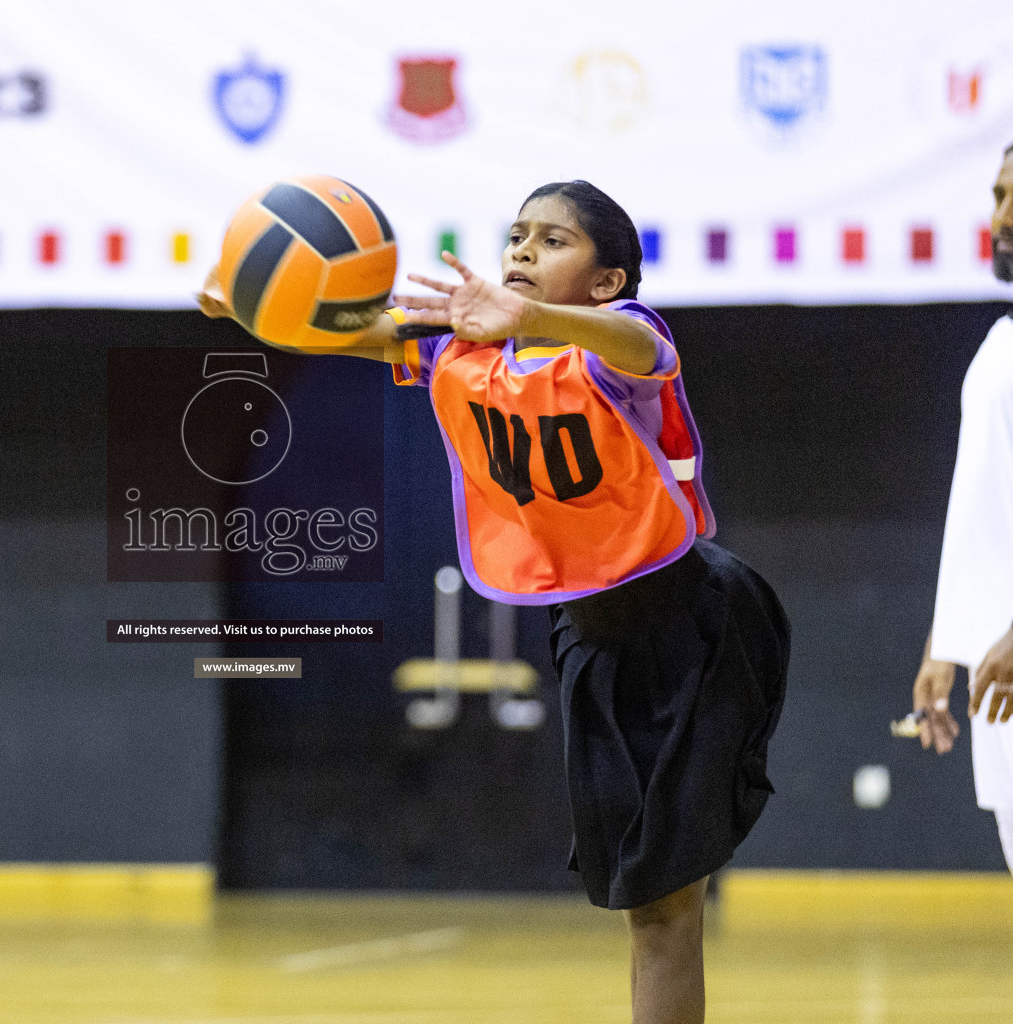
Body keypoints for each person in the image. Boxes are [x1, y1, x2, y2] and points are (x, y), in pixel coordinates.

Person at [201, 180, 789, 1024]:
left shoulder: (620, 345)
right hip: (594, 642)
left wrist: (538, 323)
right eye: (518, 235)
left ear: (606, 281)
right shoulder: (462, 358)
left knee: (667, 908)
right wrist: (261, 306)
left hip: (695, 628)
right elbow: (351, 334)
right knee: (644, 908)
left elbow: (639, 348)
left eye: (555, 241)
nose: (523, 250)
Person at [909, 142, 1013, 869]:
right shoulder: (999, 343)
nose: (999, 217)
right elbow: (980, 506)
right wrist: (947, 639)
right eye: (997, 195)